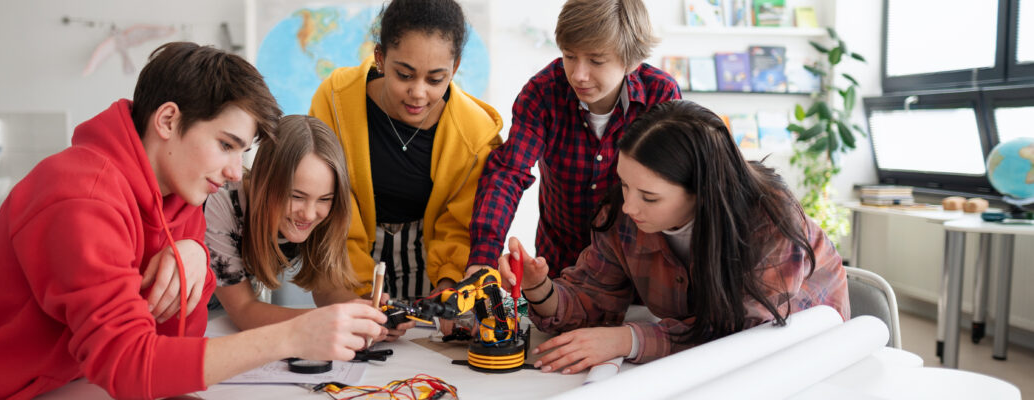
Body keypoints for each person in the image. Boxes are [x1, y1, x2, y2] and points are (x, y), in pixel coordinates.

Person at [0, 42, 385, 399]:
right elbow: (129, 365)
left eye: (242, 151)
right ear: (168, 121)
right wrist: (293, 337)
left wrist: (194, 256)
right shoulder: (82, 196)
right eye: (227, 145)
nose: (234, 172)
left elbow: (174, 349)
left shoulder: (181, 194)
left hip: (56, 386)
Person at [497, 100, 850, 374]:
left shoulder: (770, 220)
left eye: (649, 197)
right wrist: (538, 287)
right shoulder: (623, 213)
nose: (630, 207)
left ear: (704, 192)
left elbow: (744, 336)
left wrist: (630, 339)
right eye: (623, 183)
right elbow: (592, 299)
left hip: (806, 365)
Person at [469, 0, 681, 278]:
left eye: (596, 60)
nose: (579, 75)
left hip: (639, 268)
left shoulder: (660, 95)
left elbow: (675, 189)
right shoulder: (542, 93)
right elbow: (509, 173)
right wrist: (484, 256)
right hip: (561, 266)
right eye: (569, 56)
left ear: (631, 60)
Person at [309, 0, 502, 301]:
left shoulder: (475, 135)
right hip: (343, 255)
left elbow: (459, 225)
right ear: (380, 58)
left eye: (436, 79)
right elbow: (332, 204)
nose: (418, 93)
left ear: (456, 67)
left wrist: (448, 284)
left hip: (430, 262)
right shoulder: (335, 100)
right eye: (404, 75)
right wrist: (357, 294)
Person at [205, 114, 415, 340]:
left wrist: (363, 313)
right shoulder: (221, 203)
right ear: (264, 182)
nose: (308, 214)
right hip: (195, 318)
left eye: (324, 199)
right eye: (296, 196)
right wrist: (330, 321)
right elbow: (244, 311)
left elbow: (326, 289)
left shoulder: (328, 215)